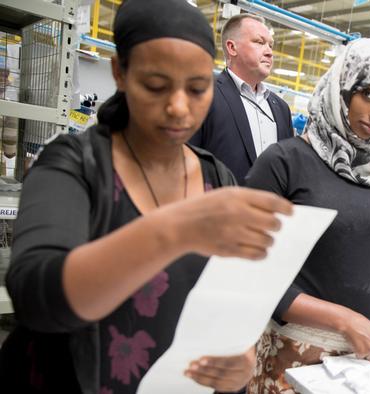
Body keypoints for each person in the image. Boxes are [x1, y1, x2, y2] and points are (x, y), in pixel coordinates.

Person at [0, 1, 293, 392]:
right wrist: (173, 230)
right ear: (120, 73)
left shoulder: (216, 178)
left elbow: (225, 304)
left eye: (197, 88)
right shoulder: (75, 166)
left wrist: (238, 362)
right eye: (156, 86)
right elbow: (37, 297)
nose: (178, 107)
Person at [245, 38, 370, 392]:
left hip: (369, 351)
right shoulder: (284, 163)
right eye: (369, 95)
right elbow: (251, 273)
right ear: (341, 89)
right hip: (298, 355)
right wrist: (345, 321)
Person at [189, 13, 293, 185]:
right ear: (232, 48)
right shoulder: (205, 92)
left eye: (271, 46)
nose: (269, 52)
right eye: (259, 43)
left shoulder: (281, 108)